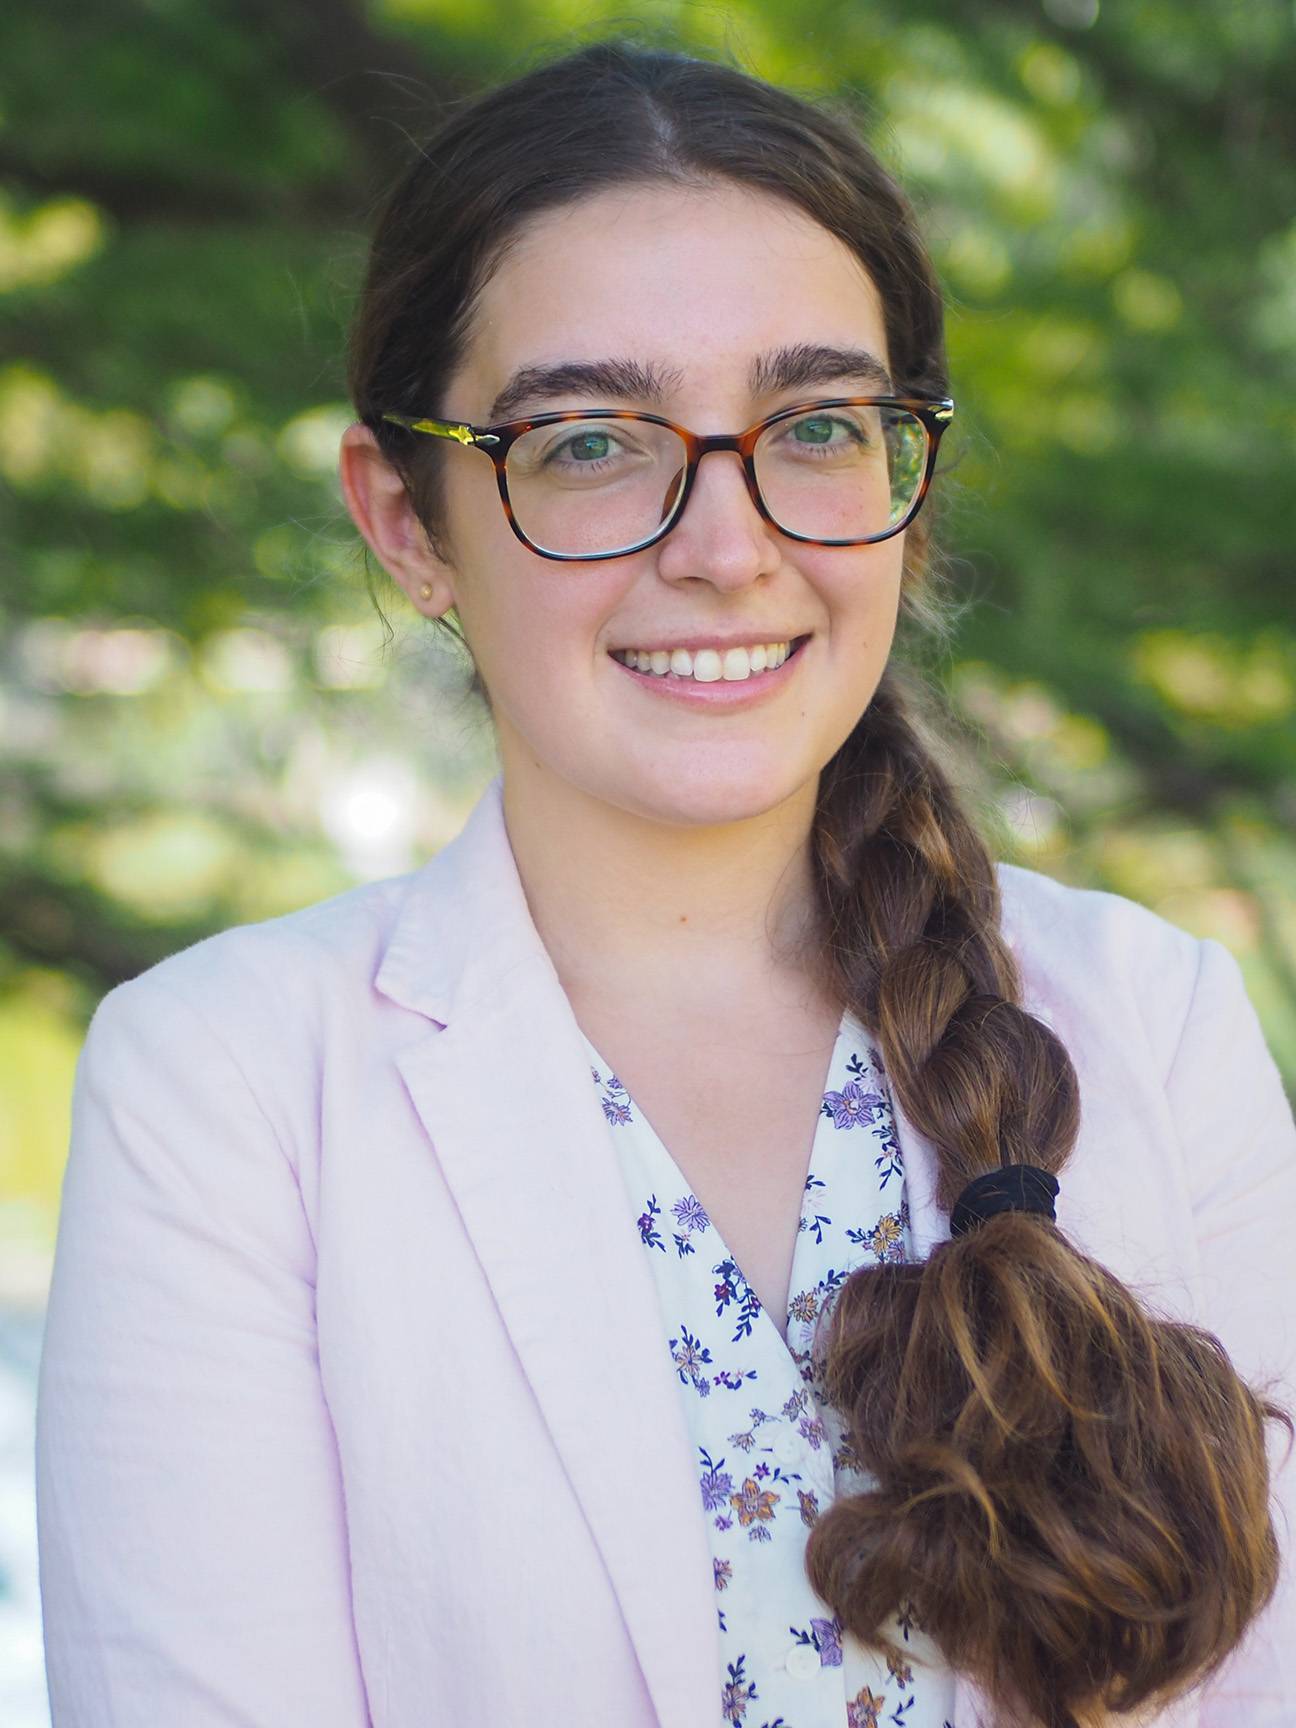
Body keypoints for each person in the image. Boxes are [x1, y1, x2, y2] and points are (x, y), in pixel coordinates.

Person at [34, 37, 1296, 1728]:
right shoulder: (227, 1090)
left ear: (909, 491)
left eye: (820, 424)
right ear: (408, 522)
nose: (725, 543)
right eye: (590, 443)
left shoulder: (1153, 1025)